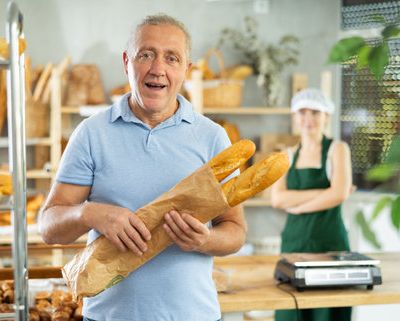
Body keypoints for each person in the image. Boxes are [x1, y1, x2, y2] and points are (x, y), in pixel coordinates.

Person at [38, 13, 247, 321]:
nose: (157, 69)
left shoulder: (212, 137)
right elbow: (48, 227)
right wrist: (91, 212)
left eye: (172, 58)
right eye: (145, 55)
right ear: (127, 62)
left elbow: (235, 231)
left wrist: (205, 240)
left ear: (186, 71)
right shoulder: (91, 133)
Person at [271, 88, 353, 321]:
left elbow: (338, 195)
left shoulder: (337, 149)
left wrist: (297, 205)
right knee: (292, 310)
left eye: (315, 113)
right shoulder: (286, 155)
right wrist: (325, 193)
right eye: (302, 113)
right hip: (294, 243)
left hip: (330, 244)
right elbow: (277, 199)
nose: (308, 119)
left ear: (326, 116)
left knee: (328, 311)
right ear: (294, 117)